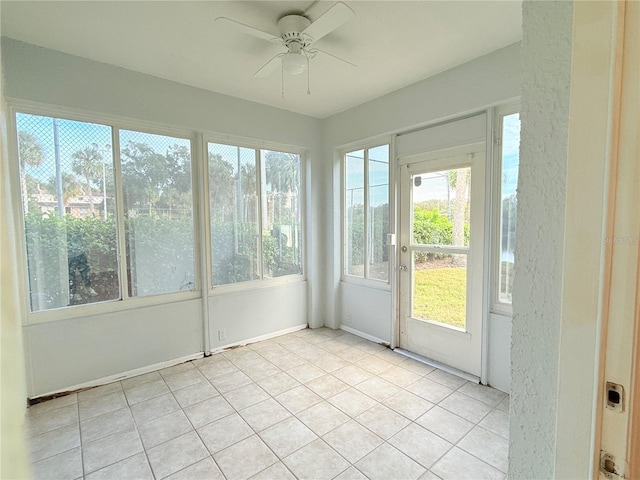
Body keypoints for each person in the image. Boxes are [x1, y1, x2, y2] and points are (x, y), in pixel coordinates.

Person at [68, 237, 97, 303]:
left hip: (80, 250)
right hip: (69, 254)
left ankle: (87, 287)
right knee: (71, 273)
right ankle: (73, 293)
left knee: (85, 269)